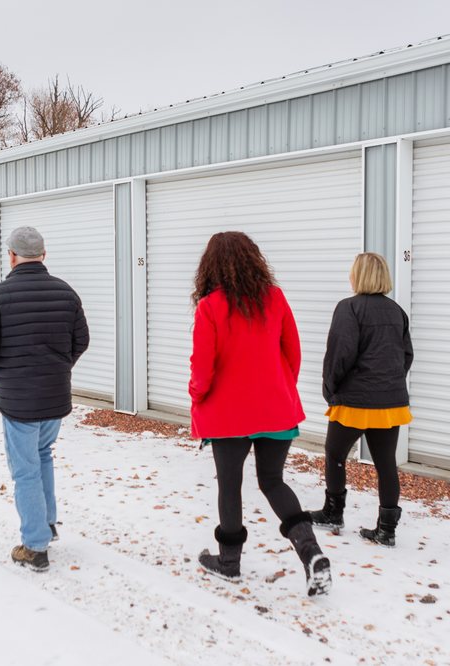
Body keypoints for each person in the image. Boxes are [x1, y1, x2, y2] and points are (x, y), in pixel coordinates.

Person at [190, 231, 331, 597]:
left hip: (227, 415)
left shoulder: (209, 306)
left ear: (210, 265)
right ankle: (311, 553)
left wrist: (197, 395)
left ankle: (229, 562)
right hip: (275, 410)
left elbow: (202, 369)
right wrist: (279, 390)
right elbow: (293, 352)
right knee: (272, 481)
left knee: (230, 485)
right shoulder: (275, 298)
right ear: (254, 260)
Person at [0, 226, 89, 572]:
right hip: (53, 397)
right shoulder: (66, 293)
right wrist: (59, 368)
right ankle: (46, 523)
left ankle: (35, 546)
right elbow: (81, 340)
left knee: (25, 470)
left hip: (18, 400)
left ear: (11, 256)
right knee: (43, 456)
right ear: (43, 255)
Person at [310, 252, 413, 547]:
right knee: (386, 464)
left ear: (358, 276)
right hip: (390, 403)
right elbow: (406, 355)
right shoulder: (396, 311)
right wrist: (390, 384)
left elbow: (339, 354)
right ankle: (386, 530)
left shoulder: (349, 308)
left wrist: (330, 389)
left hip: (354, 401)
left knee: (335, 455)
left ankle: (333, 513)